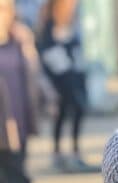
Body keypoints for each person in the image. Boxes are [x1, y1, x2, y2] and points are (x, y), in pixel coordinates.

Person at [0, 0, 44, 183]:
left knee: (9, 175)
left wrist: (49, 99)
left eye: (3, 9)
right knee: (17, 173)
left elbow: (35, 75)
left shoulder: (21, 39)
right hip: (1, 127)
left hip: (21, 122)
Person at [37, 0, 90, 172]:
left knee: (78, 112)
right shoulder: (48, 27)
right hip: (59, 81)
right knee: (60, 115)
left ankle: (75, 151)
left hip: (75, 78)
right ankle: (57, 153)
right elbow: (47, 54)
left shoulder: (73, 26)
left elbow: (78, 51)